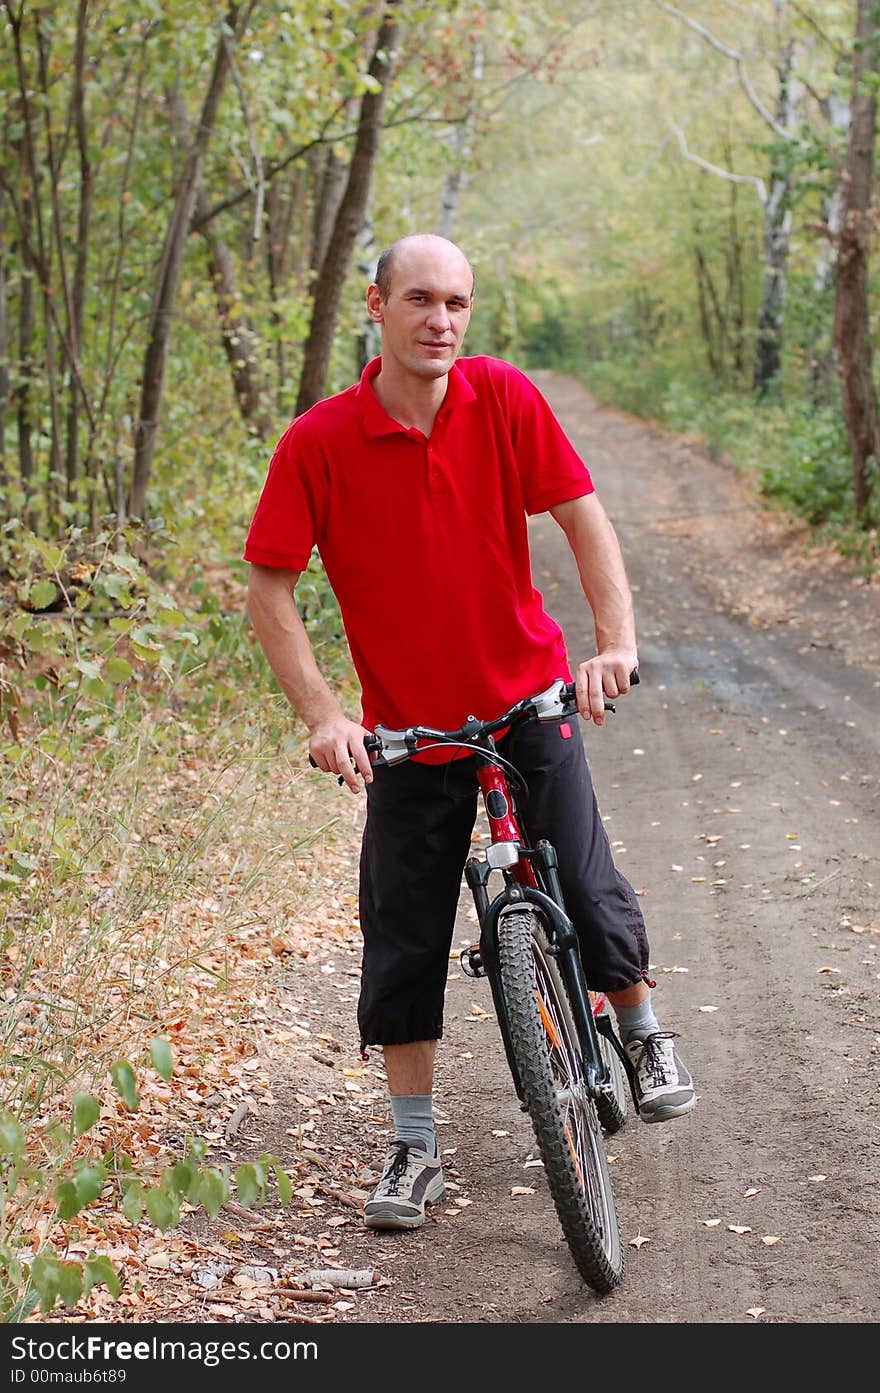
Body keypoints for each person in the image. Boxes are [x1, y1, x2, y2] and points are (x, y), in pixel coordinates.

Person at [244, 233, 695, 1233]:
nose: (439, 319)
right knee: (401, 934)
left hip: (527, 702)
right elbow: (267, 582)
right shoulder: (319, 440)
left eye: (455, 302)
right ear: (376, 305)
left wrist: (609, 646)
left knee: (584, 879)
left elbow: (584, 519)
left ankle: (642, 1030)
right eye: (418, 299)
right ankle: (413, 1143)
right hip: (408, 734)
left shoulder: (504, 399)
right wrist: (326, 714)